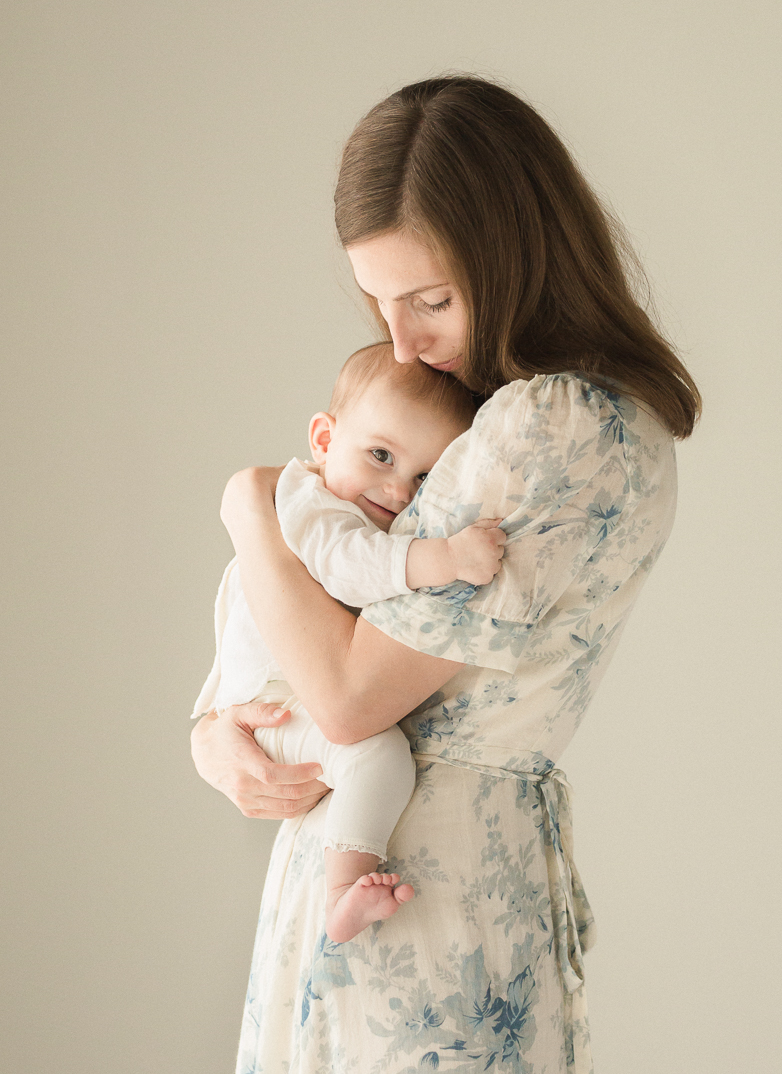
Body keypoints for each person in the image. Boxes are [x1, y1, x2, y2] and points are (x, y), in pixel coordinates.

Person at [191, 75, 701, 1073]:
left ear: (517, 254)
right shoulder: (508, 415)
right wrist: (217, 732)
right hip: (393, 885)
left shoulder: (553, 424)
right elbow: (315, 634)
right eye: (380, 302)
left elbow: (343, 696)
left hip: (421, 915)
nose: (402, 341)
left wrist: (252, 504)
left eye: (431, 299)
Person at [193, 342, 506, 942]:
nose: (396, 491)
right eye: (380, 455)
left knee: (376, 758)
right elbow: (346, 566)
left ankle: (342, 890)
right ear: (324, 438)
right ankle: (343, 893)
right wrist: (442, 557)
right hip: (275, 708)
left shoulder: (341, 503)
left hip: (284, 702)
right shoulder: (308, 502)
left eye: (423, 477)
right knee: (376, 756)